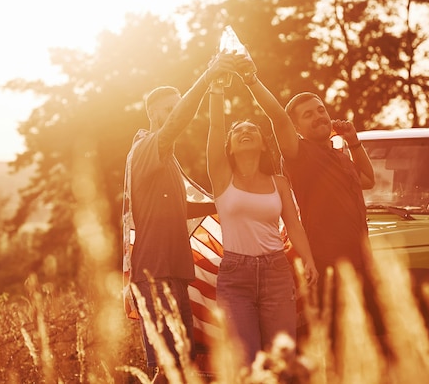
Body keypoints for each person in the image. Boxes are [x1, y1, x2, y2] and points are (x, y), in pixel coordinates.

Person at [232, 54, 384, 351]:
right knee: (338, 342)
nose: (318, 117)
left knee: (370, 340)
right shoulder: (300, 154)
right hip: (329, 266)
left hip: (363, 262)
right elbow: (277, 116)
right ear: (297, 128)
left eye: (320, 110)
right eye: (308, 115)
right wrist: (251, 80)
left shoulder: (339, 156)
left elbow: (367, 180)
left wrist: (353, 142)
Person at [121, 55, 233, 381]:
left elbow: (181, 208)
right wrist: (208, 74)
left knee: (182, 364)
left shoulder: (167, 161)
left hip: (176, 272)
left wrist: (221, 205)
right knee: (170, 366)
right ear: (154, 114)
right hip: (154, 272)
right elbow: (176, 125)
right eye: (169, 109)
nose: (175, 114)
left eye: (177, 106)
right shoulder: (145, 148)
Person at [205, 54, 319, 367]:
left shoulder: (279, 182)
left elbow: (294, 226)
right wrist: (216, 87)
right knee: (247, 360)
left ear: (262, 144)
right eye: (238, 130)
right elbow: (216, 125)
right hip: (235, 277)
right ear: (229, 146)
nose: (245, 131)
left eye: (252, 129)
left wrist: (308, 260)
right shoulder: (221, 177)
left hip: (277, 274)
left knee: (282, 360)